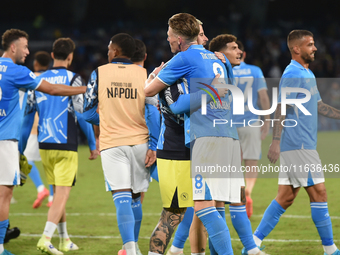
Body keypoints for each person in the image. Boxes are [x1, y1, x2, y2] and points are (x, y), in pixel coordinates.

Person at [145, 13, 243, 255]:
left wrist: (154, 77)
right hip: (228, 134)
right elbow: (229, 89)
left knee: (202, 205)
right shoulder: (217, 58)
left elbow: (151, 93)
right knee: (216, 204)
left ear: (179, 39)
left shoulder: (182, 58)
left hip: (205, 137)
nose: (167, 40)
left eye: (168, 36)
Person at [0, 29, 86, 255]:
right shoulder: (18, 72)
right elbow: (54, 90)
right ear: (13, 47)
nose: (28, 51)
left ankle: (64, 238)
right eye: (25, 46)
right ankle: (4, 246)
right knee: (5, 194)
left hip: (36, 143)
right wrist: (86, 89)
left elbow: (29, 114)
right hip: (7, 141)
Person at [254, 30, 340, 255]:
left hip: (302, 144)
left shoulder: (307, 73)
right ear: (297, 49)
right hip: (299, 144)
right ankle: (330, 249)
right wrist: (275, 141)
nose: (315, 48)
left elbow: (319, 106)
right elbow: (281, 106)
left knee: (286, 197)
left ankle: (253, 243)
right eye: (310, 45)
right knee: (319, 193)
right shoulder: (293, 73)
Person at [20, 37, 98, 255]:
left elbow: (26, 120)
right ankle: (46, 238)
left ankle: (65, 239)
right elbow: (82, 116)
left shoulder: (36, 80)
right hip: (65, 143)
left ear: (53, 55)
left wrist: (20, 150)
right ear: (71, 57)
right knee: (62, 194)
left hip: (44, 144)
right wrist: (92, 145)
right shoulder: (74, 80)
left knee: (56, 190)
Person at [83, 33, 158, 255]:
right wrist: (153, 145)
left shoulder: (99, 73)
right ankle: (132, 248)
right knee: (136, 198)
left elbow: (87, 111)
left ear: (115, 51)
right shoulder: (144, 74)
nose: (107, 52)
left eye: (108, 49)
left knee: (122, 197)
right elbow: (153, 113)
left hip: (112, 143)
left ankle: (130, 250)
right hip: (140, 142)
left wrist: (107, 118)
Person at [232, 40, 270, 218]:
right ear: (244, 54)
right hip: (251, 122)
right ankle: (248, 191)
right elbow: (263, 97)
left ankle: (237, 193)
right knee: (251, 161)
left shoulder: (226, 70)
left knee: (234, 162)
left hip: (229, 124)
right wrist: (267, 120)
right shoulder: (255, 71)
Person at [25, 51, 53, 209]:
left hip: (33, 125)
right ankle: (52, 197)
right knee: (50, 163)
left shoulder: (30, 78)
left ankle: (41, 188)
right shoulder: (53, 78)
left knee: (27, 159)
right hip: (51, 126)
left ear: (36, 63)